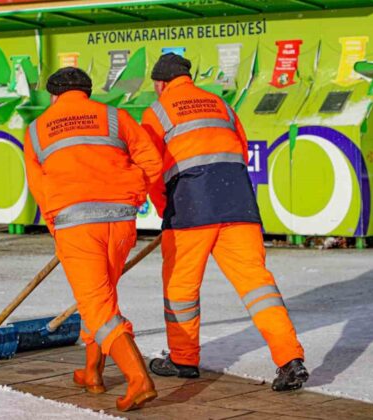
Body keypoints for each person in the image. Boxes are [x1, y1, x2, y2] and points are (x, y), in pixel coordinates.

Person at [141, 53, 309, 391]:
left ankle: (183, 360)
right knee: (257, 286)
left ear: (160, 83)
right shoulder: (219, 104)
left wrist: (166, 207)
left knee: (181, 288)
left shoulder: (156, 111)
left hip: (190, 207)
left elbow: (151, 167)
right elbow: (241, 150)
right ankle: (290, 360)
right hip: (238, 203)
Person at [24, 67, 162, 411]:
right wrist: (134, 194)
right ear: (86, 92)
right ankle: (92, 372)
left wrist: (58, 227)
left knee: (97, 306)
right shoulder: (114, 117)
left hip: (76, 226)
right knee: (101, 298)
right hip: (120, 221)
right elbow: (152, 161)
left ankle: (138, 379)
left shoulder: (37, 130)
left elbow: (39, 187)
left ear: (54, 96)